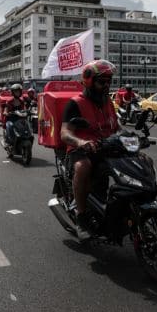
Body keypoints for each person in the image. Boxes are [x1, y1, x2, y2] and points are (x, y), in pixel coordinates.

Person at [60, 60, 119, 240]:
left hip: (105, 146)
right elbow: (64, 133)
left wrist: (132, 139)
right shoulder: (75, 103)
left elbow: (116, 126)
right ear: (89, 81)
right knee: (82, 166)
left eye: (109, 82)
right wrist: (80, 142)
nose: (106, 86)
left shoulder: (107, 102)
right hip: (82, 150)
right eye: (102, 82)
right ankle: (81, 216)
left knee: (138, 160)